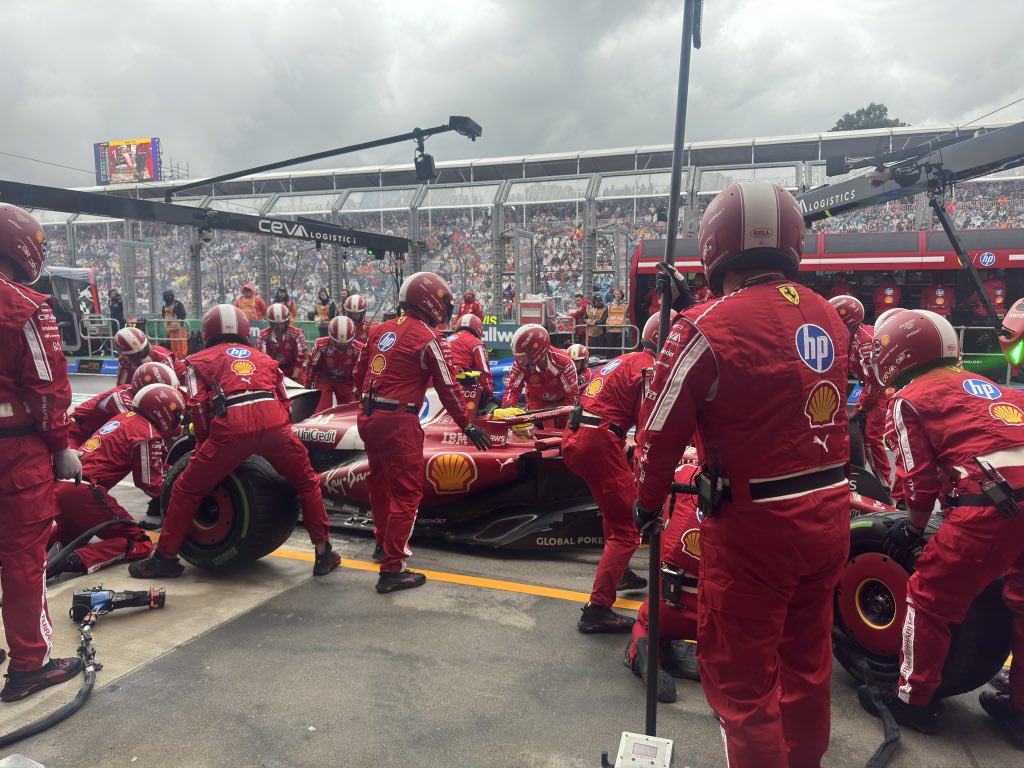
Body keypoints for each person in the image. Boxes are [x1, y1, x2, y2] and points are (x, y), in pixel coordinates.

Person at [634, 182, 851, 768]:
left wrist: (647, 502)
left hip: (755, 528)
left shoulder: (705, 325)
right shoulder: (830, 314)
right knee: (806, 669)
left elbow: (658, 431)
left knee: (742, 686)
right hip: (829, 516)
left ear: (715, 247)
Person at [858, 308, 1024, 749]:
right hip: (1011, 497)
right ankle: (1021, 713)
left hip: (992, 506)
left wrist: (913, 528)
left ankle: (914, 702)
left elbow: (919, 480)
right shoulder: (999, 388)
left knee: (927, 596)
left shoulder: (908, 398)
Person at [128, 304, 341, 579]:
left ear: (208, 332)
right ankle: (324, 553)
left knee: (185, 490)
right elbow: (285, 403)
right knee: (307, 482)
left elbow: (198, 406)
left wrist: (206, 446)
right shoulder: (264, 359)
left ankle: (165, 557)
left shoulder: (199, 360)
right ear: (243, 330)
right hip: (274, 424)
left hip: (231, 429)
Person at [354, 272, 493, 593]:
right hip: (398, 422)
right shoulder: (429, 338)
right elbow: (448, 387)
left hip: (368, 416)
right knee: (407, 493)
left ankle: (381, 543)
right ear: (429, 299)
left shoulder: (378, 330)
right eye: (443, 300)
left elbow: (359, 373)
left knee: (378, 482)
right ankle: (392, 569)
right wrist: (468, 425)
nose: (446, 307)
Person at [0, 203, 84, 702]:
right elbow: (47, 389)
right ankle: (30, 664)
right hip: (16, 455)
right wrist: (61, 446)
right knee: (23, 561)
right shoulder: (25, 305)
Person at [563, 314, 667, 636]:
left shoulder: (627, 359)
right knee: (627, 529)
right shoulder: (650, 367)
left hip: (579, 435)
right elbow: (651, 427)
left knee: (617, 511)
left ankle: (620, 574)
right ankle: (597, 610)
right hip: (598, 441)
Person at [50, 384, 185, 576]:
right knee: (140, 541)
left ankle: (9, 553)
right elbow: (150, 483)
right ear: (163, 412)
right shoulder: (147, 434)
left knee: (71, 533)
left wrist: (169, 470)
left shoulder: (125, 418)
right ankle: (77, 560)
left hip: (62, 484)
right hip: (83, 490)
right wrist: (184, 494)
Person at [625, 460, 703, 704]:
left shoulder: (680, 472)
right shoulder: (760, 482)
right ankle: (731, 681)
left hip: (670, 603)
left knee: (645, 626)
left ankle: (645, 654)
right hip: (724, 614)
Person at [830, 295, 892, 483]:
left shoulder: (865, 341)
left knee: (872, 439)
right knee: (855, 431)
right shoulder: (850, 337)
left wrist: (864, 409)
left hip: (881, 391)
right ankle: (863, 481)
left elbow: (875, 381)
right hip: (868, 389)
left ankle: (884, 485)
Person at [69, 361, 178, 449]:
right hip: (74, 435)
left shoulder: (134, 394)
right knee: (71, 472)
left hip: (92, 437)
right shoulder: (122, 399)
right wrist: (181, 429)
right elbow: (145, 431)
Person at [501, 325, 579, 410]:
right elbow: (513, 388)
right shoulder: (520, 363)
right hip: (536, 400)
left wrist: (569, 416)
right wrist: (507, 408)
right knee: (537, 422)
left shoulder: (565, 362)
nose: (519, 360)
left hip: (563, 402)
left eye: (523, 355)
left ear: (536, 351)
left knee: (566, 420)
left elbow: (572, 395)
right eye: (518, 356)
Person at [304, 315, 364, 413]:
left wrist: (357, 388)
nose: (341, 346)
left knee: (348, 412)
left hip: (347, 382)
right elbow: (312, 365)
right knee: (321, 411)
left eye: (345, 343)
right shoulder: (321, 345)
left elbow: (361, 371)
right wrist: (307, 384)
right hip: (324, 380)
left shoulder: (359, 349)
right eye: (337, 343)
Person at [446, 313, 494, 413]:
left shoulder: (447, 339)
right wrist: (489, 394)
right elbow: (484, 372)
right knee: (481, 397)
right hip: (459, 377)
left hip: (440, 377)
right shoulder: (477, 343)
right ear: (478, 329)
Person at [113, 326, 185, 386]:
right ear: (124, 356)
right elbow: (122, 388)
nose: (143, 358)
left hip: (181, 381)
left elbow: (173, 386)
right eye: (135, 356)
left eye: (145, 350)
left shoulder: (161, 356)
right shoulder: (124, 362)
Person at [257, 303, 307, 380]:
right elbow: (263, 359)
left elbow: (300, 359)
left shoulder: (297, 334)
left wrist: (294, 378)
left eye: (282, 323)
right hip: (274, 372)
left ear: (287, 321)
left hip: (294, 372)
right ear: (271, 323)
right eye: (276, 324)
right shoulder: (263, 335)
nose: (279, 327)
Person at [161, 290, 188, 357]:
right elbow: (163, 314)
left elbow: (183, 313)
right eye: (167, 296)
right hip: (170, 327)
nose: (169, 297)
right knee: (173, 342)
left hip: (179, 327)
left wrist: (180, 323)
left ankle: (182, 355)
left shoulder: (178, 304)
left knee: (181, 341)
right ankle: (175, 355)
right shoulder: (164, 306)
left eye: (170, 296)